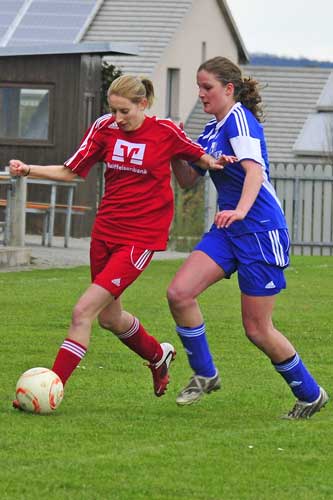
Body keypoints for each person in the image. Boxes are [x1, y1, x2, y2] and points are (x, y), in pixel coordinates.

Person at [9, 74, 234, 410]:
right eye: (113, 110)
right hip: (106, 232)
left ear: (143, 104)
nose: (118, 118)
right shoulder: (104, 128)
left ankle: (49, 390)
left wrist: (217, 162)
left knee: (82, 311)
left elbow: (200, 157)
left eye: (124, 111)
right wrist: (29, 169)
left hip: (140, 238)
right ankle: (159, 356)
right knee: (109, 318)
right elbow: (73, 170)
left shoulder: (165, 132)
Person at [167, 57, 328, 419]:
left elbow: (255, 172)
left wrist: (240, 210)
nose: (201, 94)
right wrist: (176, 147)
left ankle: (310, 393)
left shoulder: (240, 120)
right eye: (198, 87)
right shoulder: (210, 130)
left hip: (259, 231)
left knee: (257, 329)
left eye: (206, 87)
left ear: (228, 89)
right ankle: (205, 374)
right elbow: (187, 180)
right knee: (179, 293)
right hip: (228, 230)